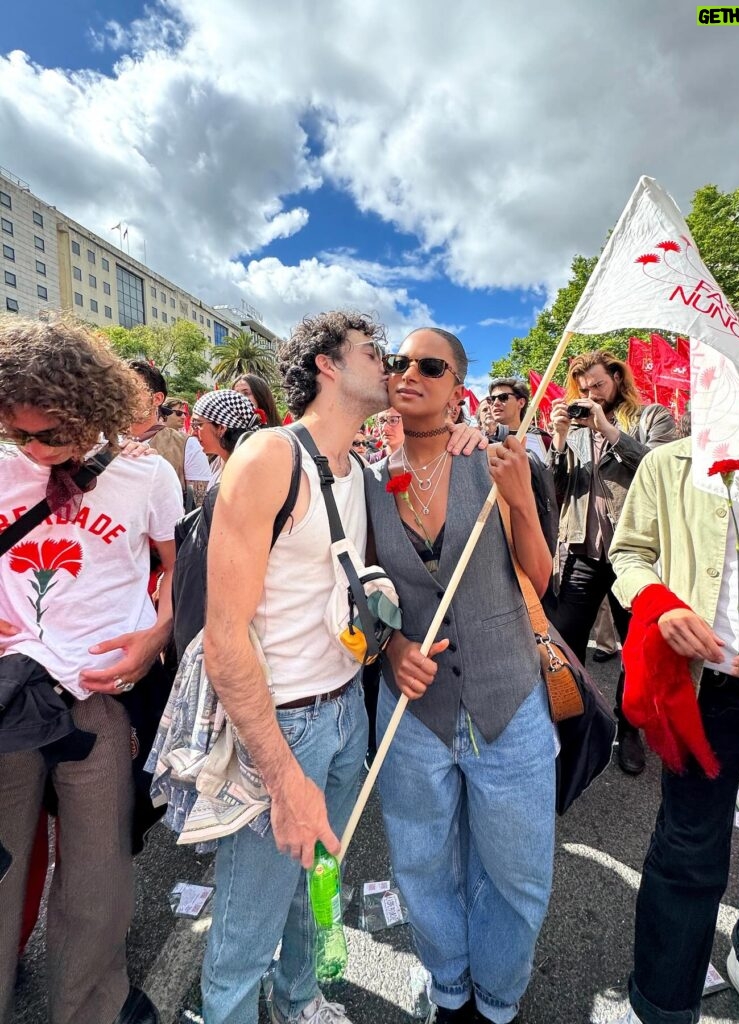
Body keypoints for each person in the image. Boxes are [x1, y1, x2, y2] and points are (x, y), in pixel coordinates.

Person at [196, 311, 485, 1024]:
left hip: (344, 711)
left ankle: (299, 1000)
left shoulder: (360, 468)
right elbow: (223, 636)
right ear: (327, 366)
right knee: (245, 921)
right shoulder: (267, 456)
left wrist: (468, 438)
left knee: (316, 879)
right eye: (372, 351)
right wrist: (282, 776)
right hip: (279, 719)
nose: (391, 365)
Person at [608, 296, 739, 1024]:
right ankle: (661, 1003)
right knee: (688, 848)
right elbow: (627, 555)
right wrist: (661, 605)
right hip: (710, 691)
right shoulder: (672, 463)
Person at [366, 327, 557, 1024]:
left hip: (509, 701)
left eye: (429, 365)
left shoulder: (498, 462)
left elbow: (541, 577)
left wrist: (520, 499)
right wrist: (389, 650)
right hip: (413, 712)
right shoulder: (363, 482)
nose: (408, 372)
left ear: (457, 387)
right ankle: (449, 987)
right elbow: (364, 593)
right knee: (421, 865)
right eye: (397, 362)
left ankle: (498, 998)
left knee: (514, 873)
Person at [0, 316, 182, 1024]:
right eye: (20, 434)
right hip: (10, 694)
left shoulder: (148, 476)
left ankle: (90, 1011)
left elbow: (175, 572)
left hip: (102, 694)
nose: (36, 450)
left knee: (96, 876)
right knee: (4, 864)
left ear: (92, 410)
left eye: (52, 435)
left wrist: (155, 636)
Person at [548, 351, 677, 774]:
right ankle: (573, 726)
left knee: (635, 651)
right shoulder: (577, 427)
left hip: (632, 556)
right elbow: (556, 488)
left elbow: (661, 471)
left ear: (617, 379)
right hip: (583, 550)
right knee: (564, 643)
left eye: (598, 386)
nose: (591, 396)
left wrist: (609, 430)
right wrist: (562, 440)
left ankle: (630, 727)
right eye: (583, 390)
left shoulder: (650, 416)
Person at [128, 362, 210, 509]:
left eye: (132, 390)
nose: (122, 397)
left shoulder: (187, 446)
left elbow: (198, 508)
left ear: (157, 399)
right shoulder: (102, 441)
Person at [190, 389, 261, 489]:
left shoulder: (244, 472)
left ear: (221, 428)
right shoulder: (219, 461)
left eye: (197, 424)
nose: (193, 433)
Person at [487, 378, 550, 460]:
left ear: (521, 403)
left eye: (503, 397)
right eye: (492, 399)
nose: (495, 403)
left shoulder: (543, 439)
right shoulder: (484, 442)